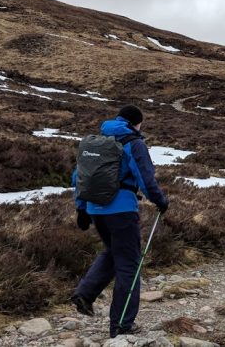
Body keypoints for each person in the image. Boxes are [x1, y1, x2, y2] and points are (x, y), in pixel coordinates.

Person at [70, 105, 169, 338]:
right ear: (137, 123)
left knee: (113, 252)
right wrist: (160, 200)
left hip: (95, 209)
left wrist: (81, 209)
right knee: (129, 266)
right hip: (122, 210)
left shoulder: (97, 142)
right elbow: (145, 177)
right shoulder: (133, 142)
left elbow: (79, 177)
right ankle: (122, 325)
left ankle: (85, 293)